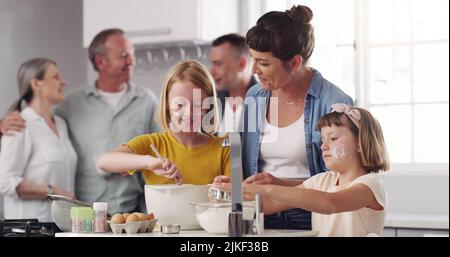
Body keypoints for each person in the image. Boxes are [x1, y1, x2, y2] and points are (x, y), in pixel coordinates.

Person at [213, 5, 354, 230]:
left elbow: (344, 182)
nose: (254, 70)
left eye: (264, 63)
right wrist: (236, 184)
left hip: (312, 221)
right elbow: (242, 160)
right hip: (258, 218)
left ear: (295, 63)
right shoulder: (254, 96)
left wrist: (280, 187)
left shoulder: (335, 103)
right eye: (253, 59)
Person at [0, 28, 160, 214]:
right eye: (124, 56)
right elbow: (33, 121)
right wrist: (2, 124)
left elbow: (158, 147)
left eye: (132, 55)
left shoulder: (146, 100)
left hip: (130, 213)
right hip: (82, 215)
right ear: (101, 61)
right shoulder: (71, 105)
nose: (131, 61)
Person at [222, 104, 389, 236]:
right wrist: (232, 192)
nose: (323, 146)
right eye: (323, 139)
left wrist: (267, 188)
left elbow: (330, 203)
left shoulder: (370, 185)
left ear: (360, 143)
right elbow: (270, 204)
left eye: (333, 138)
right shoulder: (322, 181)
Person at [97, 60, 230, 185]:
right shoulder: (153, 144)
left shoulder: (223, 149)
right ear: (166, 104)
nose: (189, 113)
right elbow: (104, 161)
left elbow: (238, 197)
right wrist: (149, 162)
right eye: (179, 105)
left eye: (198, 104)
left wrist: (228, 189)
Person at [0, 58, 77, 222]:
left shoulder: (61, 124)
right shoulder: (19, 124)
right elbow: (5, 182)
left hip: (60, 226)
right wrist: (53, 191)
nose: (64, 82)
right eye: (56, 77)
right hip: (29, 229)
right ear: (36, 84)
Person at [209, 33, 258, 134]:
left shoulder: (268, 102)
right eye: (212, 64)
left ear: (241, 64)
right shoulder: (212, 103)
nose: (211, 72)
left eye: (218, 64)